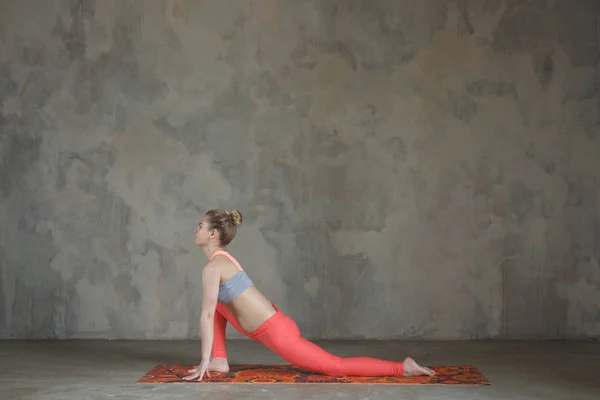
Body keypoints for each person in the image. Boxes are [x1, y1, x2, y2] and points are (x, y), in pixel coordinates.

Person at [183, 208, 435, 382]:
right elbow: (213, 310)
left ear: (213, 233)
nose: (195, 230)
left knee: (336, 367)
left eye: (200, 226)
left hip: (277, 333)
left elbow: (205, 315)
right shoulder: (224, 260)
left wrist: (202, 360)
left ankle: (403, 367)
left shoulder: (214, 267)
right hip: (275, 320)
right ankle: (220, 360)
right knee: (217, 303)